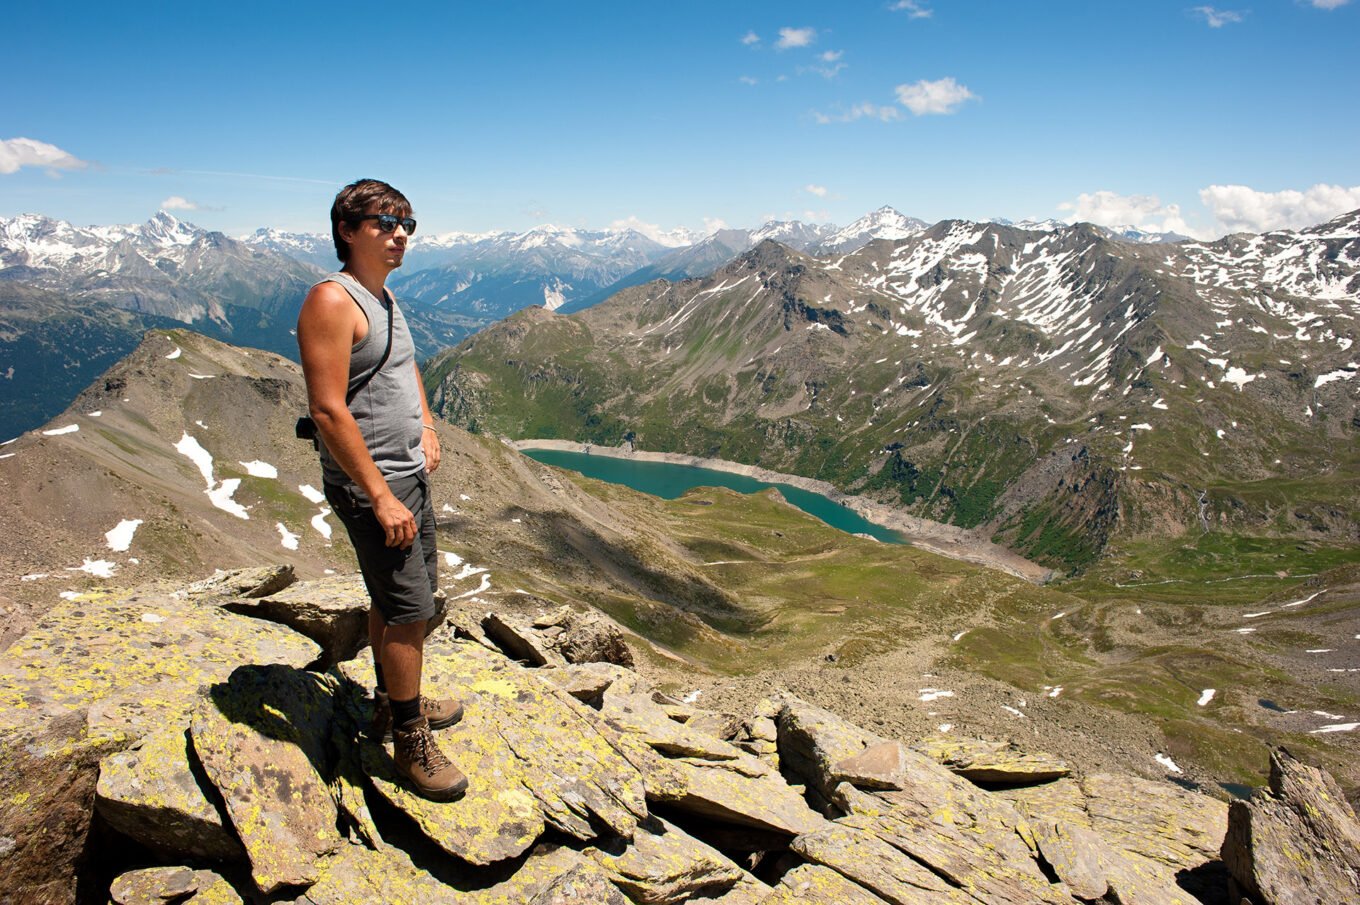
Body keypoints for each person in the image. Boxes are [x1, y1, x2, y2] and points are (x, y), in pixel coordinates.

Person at [297, 179, 467, 800]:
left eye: (408, 224)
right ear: (348, 230)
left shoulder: (384, 298)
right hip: (379, 485)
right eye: (385, 222)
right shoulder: (332, 301)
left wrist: (424, 422)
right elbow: (327, 409)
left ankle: (391, 700)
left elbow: (406, 364)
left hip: (407, 472)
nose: (400, 234)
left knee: (401, 598)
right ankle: (409, 738)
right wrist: (380, 494)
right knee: (407, 608)